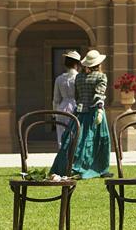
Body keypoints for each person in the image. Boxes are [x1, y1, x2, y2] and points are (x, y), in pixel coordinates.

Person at [50, 49, 111, 179]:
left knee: (76, 140)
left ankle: (69, 165)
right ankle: (99, 167)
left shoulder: (79, 77)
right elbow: (99, 95)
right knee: (98, 139)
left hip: (79, 111)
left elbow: (77, 96)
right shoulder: (101, 76)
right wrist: (99, 109)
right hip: (94, 111)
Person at [52, 50, 81, 148]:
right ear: (77, 64)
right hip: (76, 108)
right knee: (76, 135)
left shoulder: (59, 79)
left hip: (62, 108)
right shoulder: (79, 78)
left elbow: (56, 99)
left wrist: (54, 113)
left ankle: (63, 157)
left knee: (61, 136)